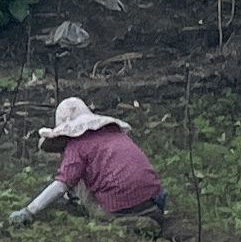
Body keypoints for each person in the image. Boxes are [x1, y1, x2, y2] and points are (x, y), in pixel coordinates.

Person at [10, 96, 164, 229]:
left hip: (118, 206)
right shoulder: (115, 133)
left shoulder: (77, 145)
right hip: (153, 199)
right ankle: (148, 215)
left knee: (75, 179)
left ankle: (120, 221)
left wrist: (28, 211)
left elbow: (62, 185)